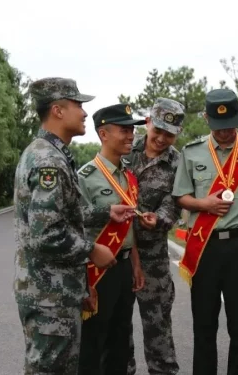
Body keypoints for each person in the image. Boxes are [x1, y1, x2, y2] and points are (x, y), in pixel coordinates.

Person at [14, 78, 133, 375]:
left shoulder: (50, 152)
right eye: (78, 105)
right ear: (57, 110)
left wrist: (106, 212)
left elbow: (67, 213)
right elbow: (48, 233)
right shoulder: (47, 161)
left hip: (54, 290)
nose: (83, 113)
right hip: (49, 295)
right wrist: (92, 251)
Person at [172, 88, 238, 375]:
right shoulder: (192, 152)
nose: (225, 133)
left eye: (230, 127)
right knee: (204, 324)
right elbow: (181, 196)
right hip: (205, 248)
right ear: (206, 118)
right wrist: (204, 204)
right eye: (218, 127)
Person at [77, 103, 151, 374]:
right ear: (103, 134)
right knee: (94, 343)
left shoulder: (128, 175)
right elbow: (75, 220)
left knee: (120, 341)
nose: (131, 135)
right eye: (124, 130)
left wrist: (135, 264)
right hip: (96, 271)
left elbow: (127, 227)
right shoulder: (85, 177)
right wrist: (85, 280)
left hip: (122, 268)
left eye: (132, 130)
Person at [121, 98, 184, 375]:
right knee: (118, 325)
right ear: (148, 122)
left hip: (153, 256)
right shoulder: (123, 150)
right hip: (119, 253)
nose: (161, 139)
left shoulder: (177, 163)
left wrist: (159, 219)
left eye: (169, 135)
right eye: (157, 130)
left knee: (157, 327)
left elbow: (176, 201)